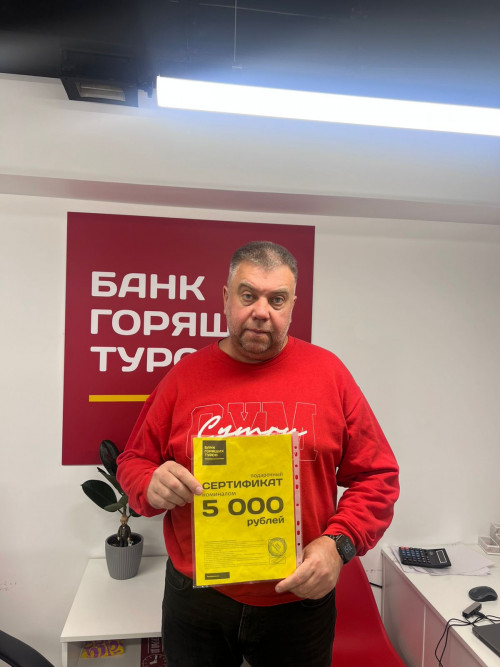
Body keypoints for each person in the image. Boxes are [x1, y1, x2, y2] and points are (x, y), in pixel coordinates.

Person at [117, 240, 399, 667]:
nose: (261, 311)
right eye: (248, 295)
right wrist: (150, 483)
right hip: (197, 598)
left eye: (277, 299)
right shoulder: (183, 379)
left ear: (292, 306)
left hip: (299, 599)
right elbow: (133, 461)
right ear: (226, 298)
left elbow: (377, 477)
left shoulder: (330, 375)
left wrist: (337, 545)